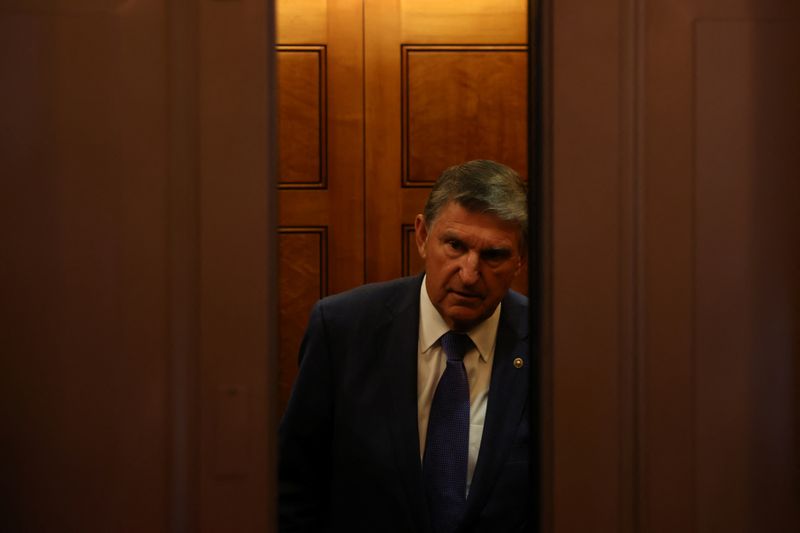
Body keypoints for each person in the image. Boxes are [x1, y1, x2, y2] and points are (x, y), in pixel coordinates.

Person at [279, 160, 534, 532]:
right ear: (422, 236)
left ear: (520, 261)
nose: (469, 273)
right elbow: (294, 488)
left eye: (493, 255)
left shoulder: (549, 344)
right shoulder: (343, 330)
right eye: (455, 245)